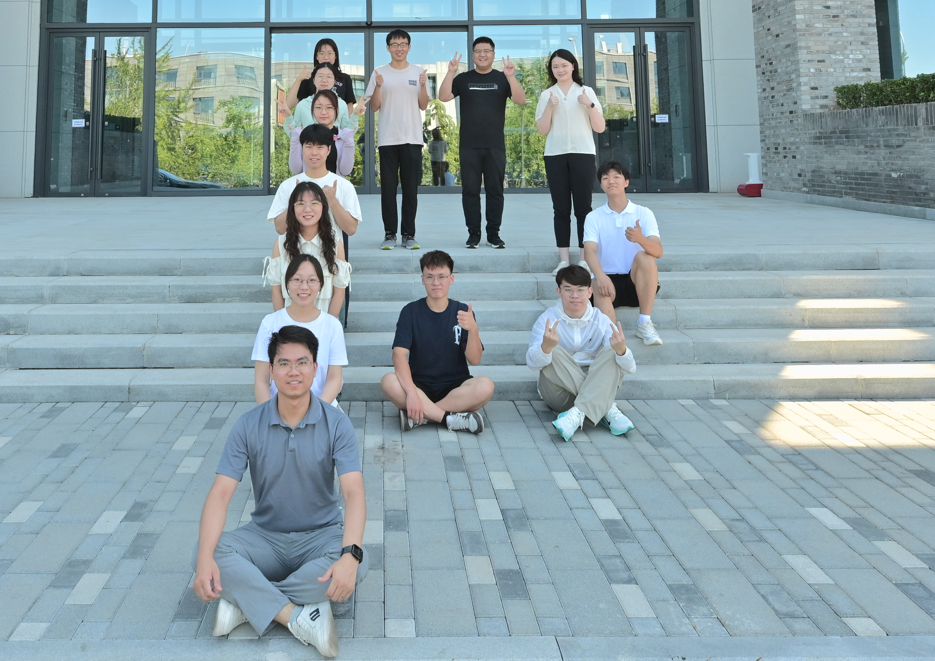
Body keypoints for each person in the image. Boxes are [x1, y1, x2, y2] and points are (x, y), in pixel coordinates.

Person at [192, 325, 368, 658]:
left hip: (321, 536)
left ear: (315, 369)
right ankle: (295, 616)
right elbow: (220, 495)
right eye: (284, 363)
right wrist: (204, 560)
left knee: (359, 560)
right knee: (205, 553)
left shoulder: (337, 423)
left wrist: (349, 556)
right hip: (265, 538)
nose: (293, 371)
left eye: (302, 363)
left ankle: (245, 602)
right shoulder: (248, 424)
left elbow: (354, 493)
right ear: (271, 371)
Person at [380, 250, 495, 434]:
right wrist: (411, 393)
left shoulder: (463, 312)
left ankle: (420, 415)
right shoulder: (410, 311)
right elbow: (398, 355)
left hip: (455, 387)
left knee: (486, 386)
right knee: (389, 381)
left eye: (442, 276)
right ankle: (448, 419)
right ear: (422, 279)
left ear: (451, 279)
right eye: (430, 277)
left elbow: (474, 360)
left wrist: (473, 329)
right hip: (419, 386)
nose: (436, 282)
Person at [526, 264, 636, 442]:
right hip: (559, 392)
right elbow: (532, 364)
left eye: (580, 290)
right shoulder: (547, 319)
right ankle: (605, 407)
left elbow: (630, 368)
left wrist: (622, 351)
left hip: (593, 377)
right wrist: (545, 348)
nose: (574, 295)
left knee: (612, 350)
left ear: (590, 292)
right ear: (559, 291)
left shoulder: (601, 320)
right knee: (552, 349)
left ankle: (576, 414)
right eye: (568, 289)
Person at [438, 37, 527, 249]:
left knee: (495, 191)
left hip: (495, 145)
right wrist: (450, 72)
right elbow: (443, 97)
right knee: (470, 191)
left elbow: (521, 100)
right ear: (473, 55)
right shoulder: (463, 78)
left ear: (493, 54)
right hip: (469, 145)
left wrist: (511, 77)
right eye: (478, 51)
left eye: (487, 50)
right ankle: (474, 234)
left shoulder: (502, 78)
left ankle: (493, 234)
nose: (482, 54)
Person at [535, 49, 605, 275]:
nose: (560, 70)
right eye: (555, 66)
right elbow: (542, 129)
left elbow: (600, 127)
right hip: (555, 155)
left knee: (584, 208)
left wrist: (589, 105)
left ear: (573, 66)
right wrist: (549, 107)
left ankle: (585, 259)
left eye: (564, 65)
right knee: (561, 209)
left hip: (583, 154)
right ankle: (563, 261)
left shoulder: (586, 91)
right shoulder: (547, 95)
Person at [583, 161, 664, 346]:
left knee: (646, 257)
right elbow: (589, 251)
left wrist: (641, 239)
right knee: (596, 283)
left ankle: (644, 323)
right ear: (601, 184)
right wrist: (601, 277)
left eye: (616, 177)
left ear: (626, 182)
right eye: (605, 178)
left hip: (636, 281)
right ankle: (612, 338)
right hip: (606, 282)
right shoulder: (593, 217)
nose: (611, 181)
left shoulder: (643, 213)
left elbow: (658, 252)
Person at [364, 29, 429, 251]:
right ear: (388, 48)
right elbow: (374, 107)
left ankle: (409, 235)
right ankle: (389, 234)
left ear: (409, 47)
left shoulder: (419, 72)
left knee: (410, 190)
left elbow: (423, 105)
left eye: (403, 44)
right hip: (387, 139)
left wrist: (422, 85)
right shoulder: (379, 72)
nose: (399, 48)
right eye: (394, 44)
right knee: (388, 190)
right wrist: (378, 86)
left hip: (412, 138)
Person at [255, 255, 348, 407]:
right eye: (297, 280)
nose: (304, 287)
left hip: (323, 409)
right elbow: (261, 380)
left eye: (312, 280)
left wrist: (317, 412)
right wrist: (268, 414)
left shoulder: (332, 325)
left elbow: (334, 378)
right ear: (287, 283)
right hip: (279, 410)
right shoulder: (270, 323)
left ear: (320, 285)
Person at [265, 182, 351, 317]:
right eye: (300, 203)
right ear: (292, 208)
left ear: (323, 207)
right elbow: (276, 291)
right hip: (290, 326)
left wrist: (328, 325)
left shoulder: (336, 245)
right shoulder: (281, 244)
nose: (307, 209)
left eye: (314, 203)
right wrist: (283, 325)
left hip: (324, 324)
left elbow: (339, 292)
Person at [268, 124, 362, 238]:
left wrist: (332, 200)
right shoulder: (288, 185)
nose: (314, 153)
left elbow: (351, 229)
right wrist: (296, 200)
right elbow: (280, 228)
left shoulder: (343, 185)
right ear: (302, 148)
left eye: (320, 147)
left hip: (332, 249)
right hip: (295, 249)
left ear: (329, 150)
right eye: (309, 147)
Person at [285, 90, 356, 176]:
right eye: (318, 107)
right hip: (308, 184)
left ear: (336, 110)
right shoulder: (305, 135)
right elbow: (295, 169)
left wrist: (349, 142)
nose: (323, 112)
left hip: (335, 184)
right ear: (313, 110)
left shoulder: (342, 136)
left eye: (329, 107)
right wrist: (295, 140)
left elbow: (346, 171)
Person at [286, 38, 358, 116]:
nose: (326, 57)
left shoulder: (345, 78)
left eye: (330, 53)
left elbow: (349, 105)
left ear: (336, 56)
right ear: (316, 56)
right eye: (321, 53)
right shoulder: (308, 78)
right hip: (312, 123)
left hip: (338, 123)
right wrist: (298, 80)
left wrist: (347, 123)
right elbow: (289, 105)